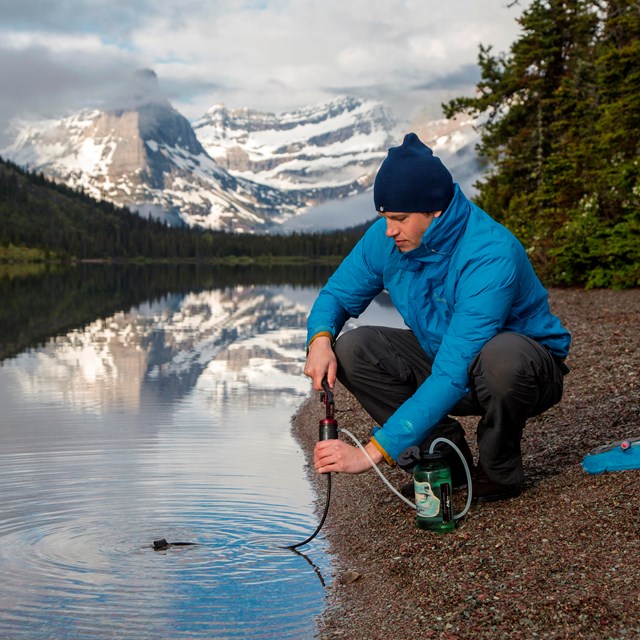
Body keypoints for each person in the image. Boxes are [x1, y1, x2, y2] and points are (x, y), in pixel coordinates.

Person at [304, 132, 571, 501]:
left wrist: (369, 454)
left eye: (399, 218)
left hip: (522, 373)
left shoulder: (489, 253)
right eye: (383, 217)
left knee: (503, 359)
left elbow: (451, 372)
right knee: (352, 348)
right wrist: (319, 339)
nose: (389, 229)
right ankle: (444, 458)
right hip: (445, 355)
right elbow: (336, 295)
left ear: (436, 210)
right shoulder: (388, 239)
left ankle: (499, 469)